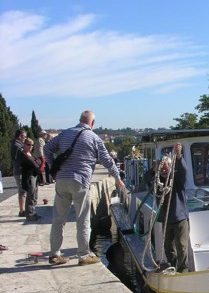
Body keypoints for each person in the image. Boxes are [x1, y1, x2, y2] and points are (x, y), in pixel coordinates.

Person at [44, 110, 126, 266]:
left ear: (79, 120)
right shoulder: (94, 138)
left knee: (58, 220)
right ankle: (83, 255)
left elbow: (47, 149)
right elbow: (107, 160)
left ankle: (55, 254)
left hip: (62, 180)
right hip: (80, 180)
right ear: (92, 123)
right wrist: (117, 178)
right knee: (83, 219)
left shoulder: (65, 134)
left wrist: (53, 166)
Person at [156, 142, 190, 273]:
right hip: (166, 219)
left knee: (181, 246)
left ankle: (183, 270)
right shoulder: (157, 181)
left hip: (180, 217)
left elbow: (184, 170)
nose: (165, 169)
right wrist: (154, 170)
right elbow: (146, 178)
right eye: (162, 167)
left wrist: (179, 156)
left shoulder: (177, 179)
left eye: (167, 166)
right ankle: (173, 266)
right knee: (168, 246)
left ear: (172, 167)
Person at [20, 138, 41, 221]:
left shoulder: (30, 154)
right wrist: (35, 163)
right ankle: (29, 214)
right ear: (24, 144)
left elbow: (38, 162)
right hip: (29, 176)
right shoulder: (23, 154)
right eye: (29, 144)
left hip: (34, 175)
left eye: (32, 145)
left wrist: (36, 162)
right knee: (30, 195)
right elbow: (32, 164)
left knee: (35, 195)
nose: (30, 146)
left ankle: (33, 211)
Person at [10, 128, 27, 216]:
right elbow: (21, 157)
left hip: (18, 170)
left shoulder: (15, 144)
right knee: (22, 191)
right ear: (20, 136)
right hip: (20, 170)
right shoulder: (18, 146)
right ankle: (22, 210)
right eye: (24, 137)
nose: (25, 139)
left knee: (23, 191)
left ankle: (23, 209)